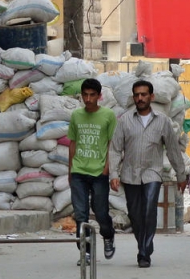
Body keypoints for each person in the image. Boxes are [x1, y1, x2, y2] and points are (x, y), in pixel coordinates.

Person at [109, 80, 187, 268]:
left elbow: (173, 150)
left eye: (144, 94)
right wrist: (113, 173)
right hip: (130, 174)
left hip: (152, 173)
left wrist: (181, 175)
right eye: (137, 95)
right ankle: (143, 243)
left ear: (151, 97)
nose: (140, 98)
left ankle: (144, 253)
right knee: (135, 215)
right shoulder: (125, 120)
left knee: (149, 210)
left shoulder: (162, 121)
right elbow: (115, 149)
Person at [68, 78, 117, 266]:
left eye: (92, 95)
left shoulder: (108, 116)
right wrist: (70, 170)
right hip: (79, 171)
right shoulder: (76, 116)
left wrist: (107, 168)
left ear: (99, 96)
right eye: (85, 95)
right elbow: (72, 143)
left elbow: (112, 144)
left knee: (101, 212)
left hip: (99, 173)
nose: (88, 99)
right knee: (80, 215)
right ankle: (86, 252)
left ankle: (108, 235)